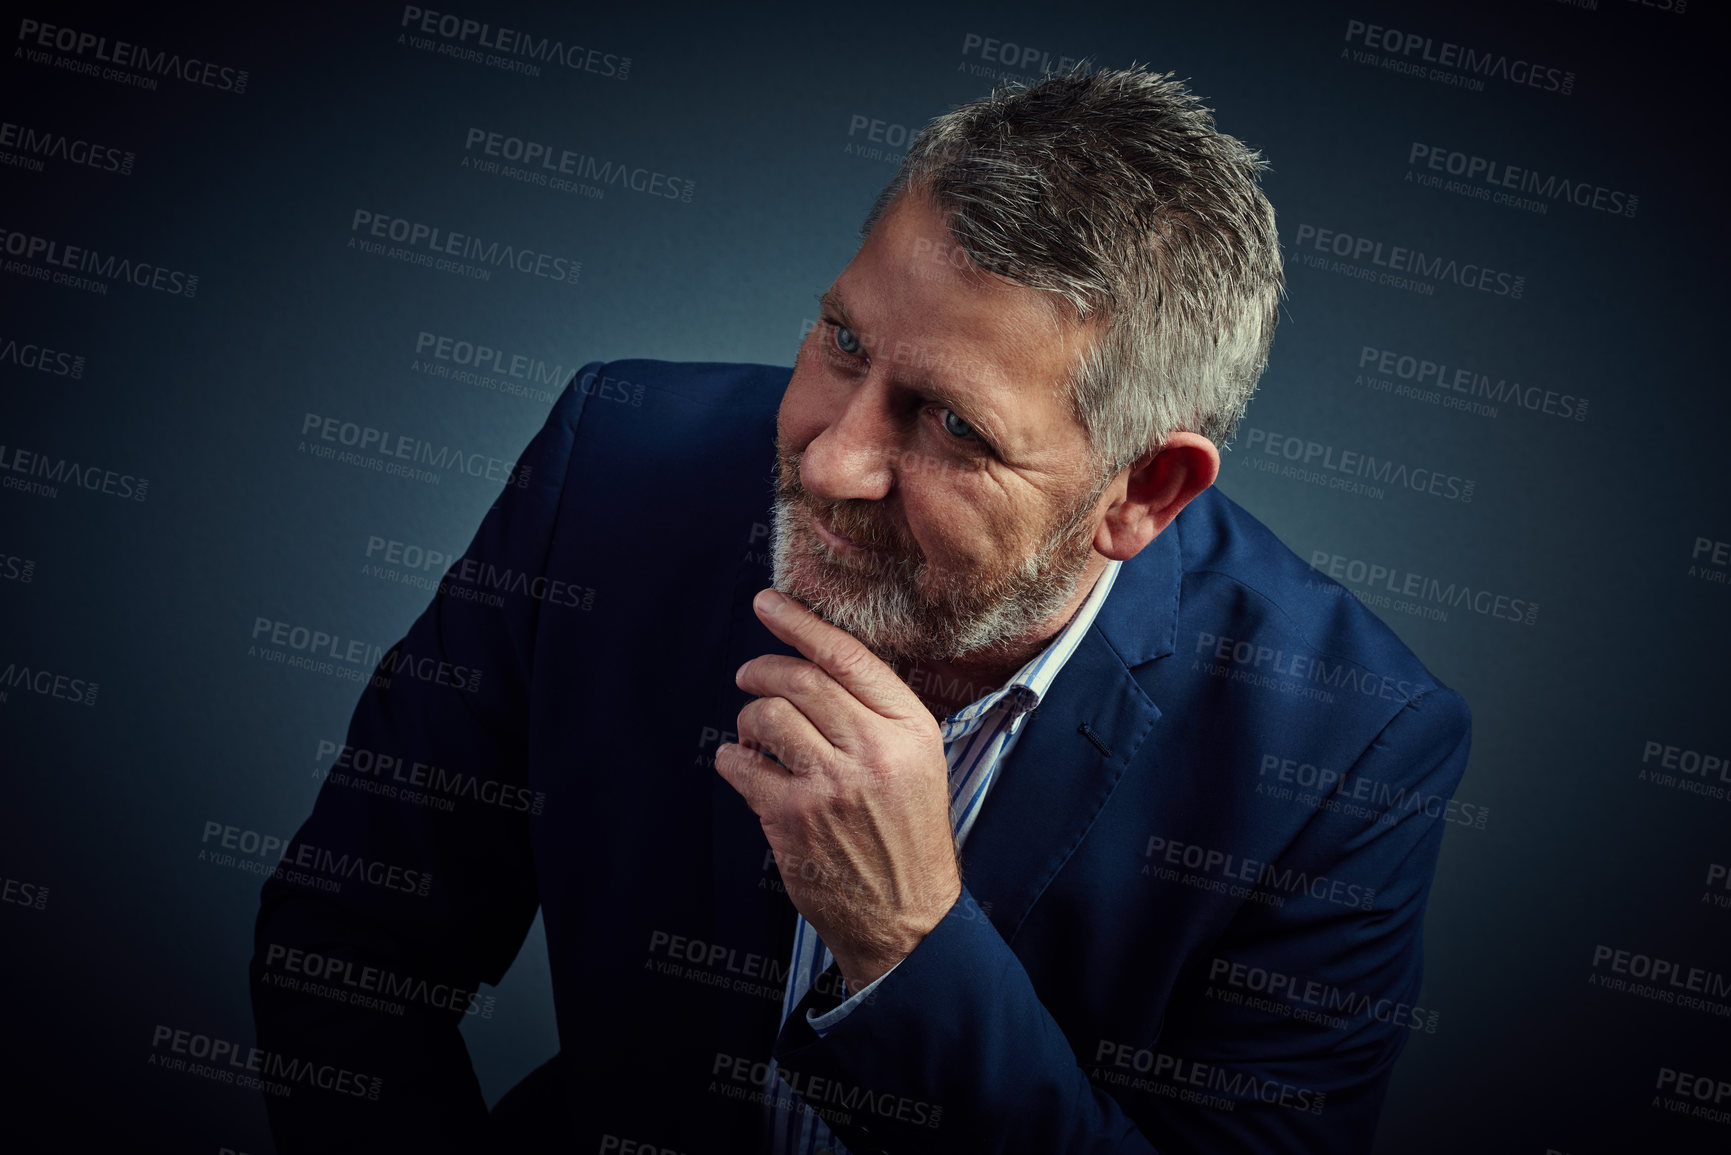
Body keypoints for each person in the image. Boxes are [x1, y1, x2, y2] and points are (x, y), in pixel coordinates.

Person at [251, 67, 1470, 1154]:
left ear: (1141, 490)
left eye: (953, 425)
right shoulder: (611, 472)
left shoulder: (1349, 751)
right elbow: (346, 950)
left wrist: (907, 944)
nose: (833, 462)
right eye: (843, 341)